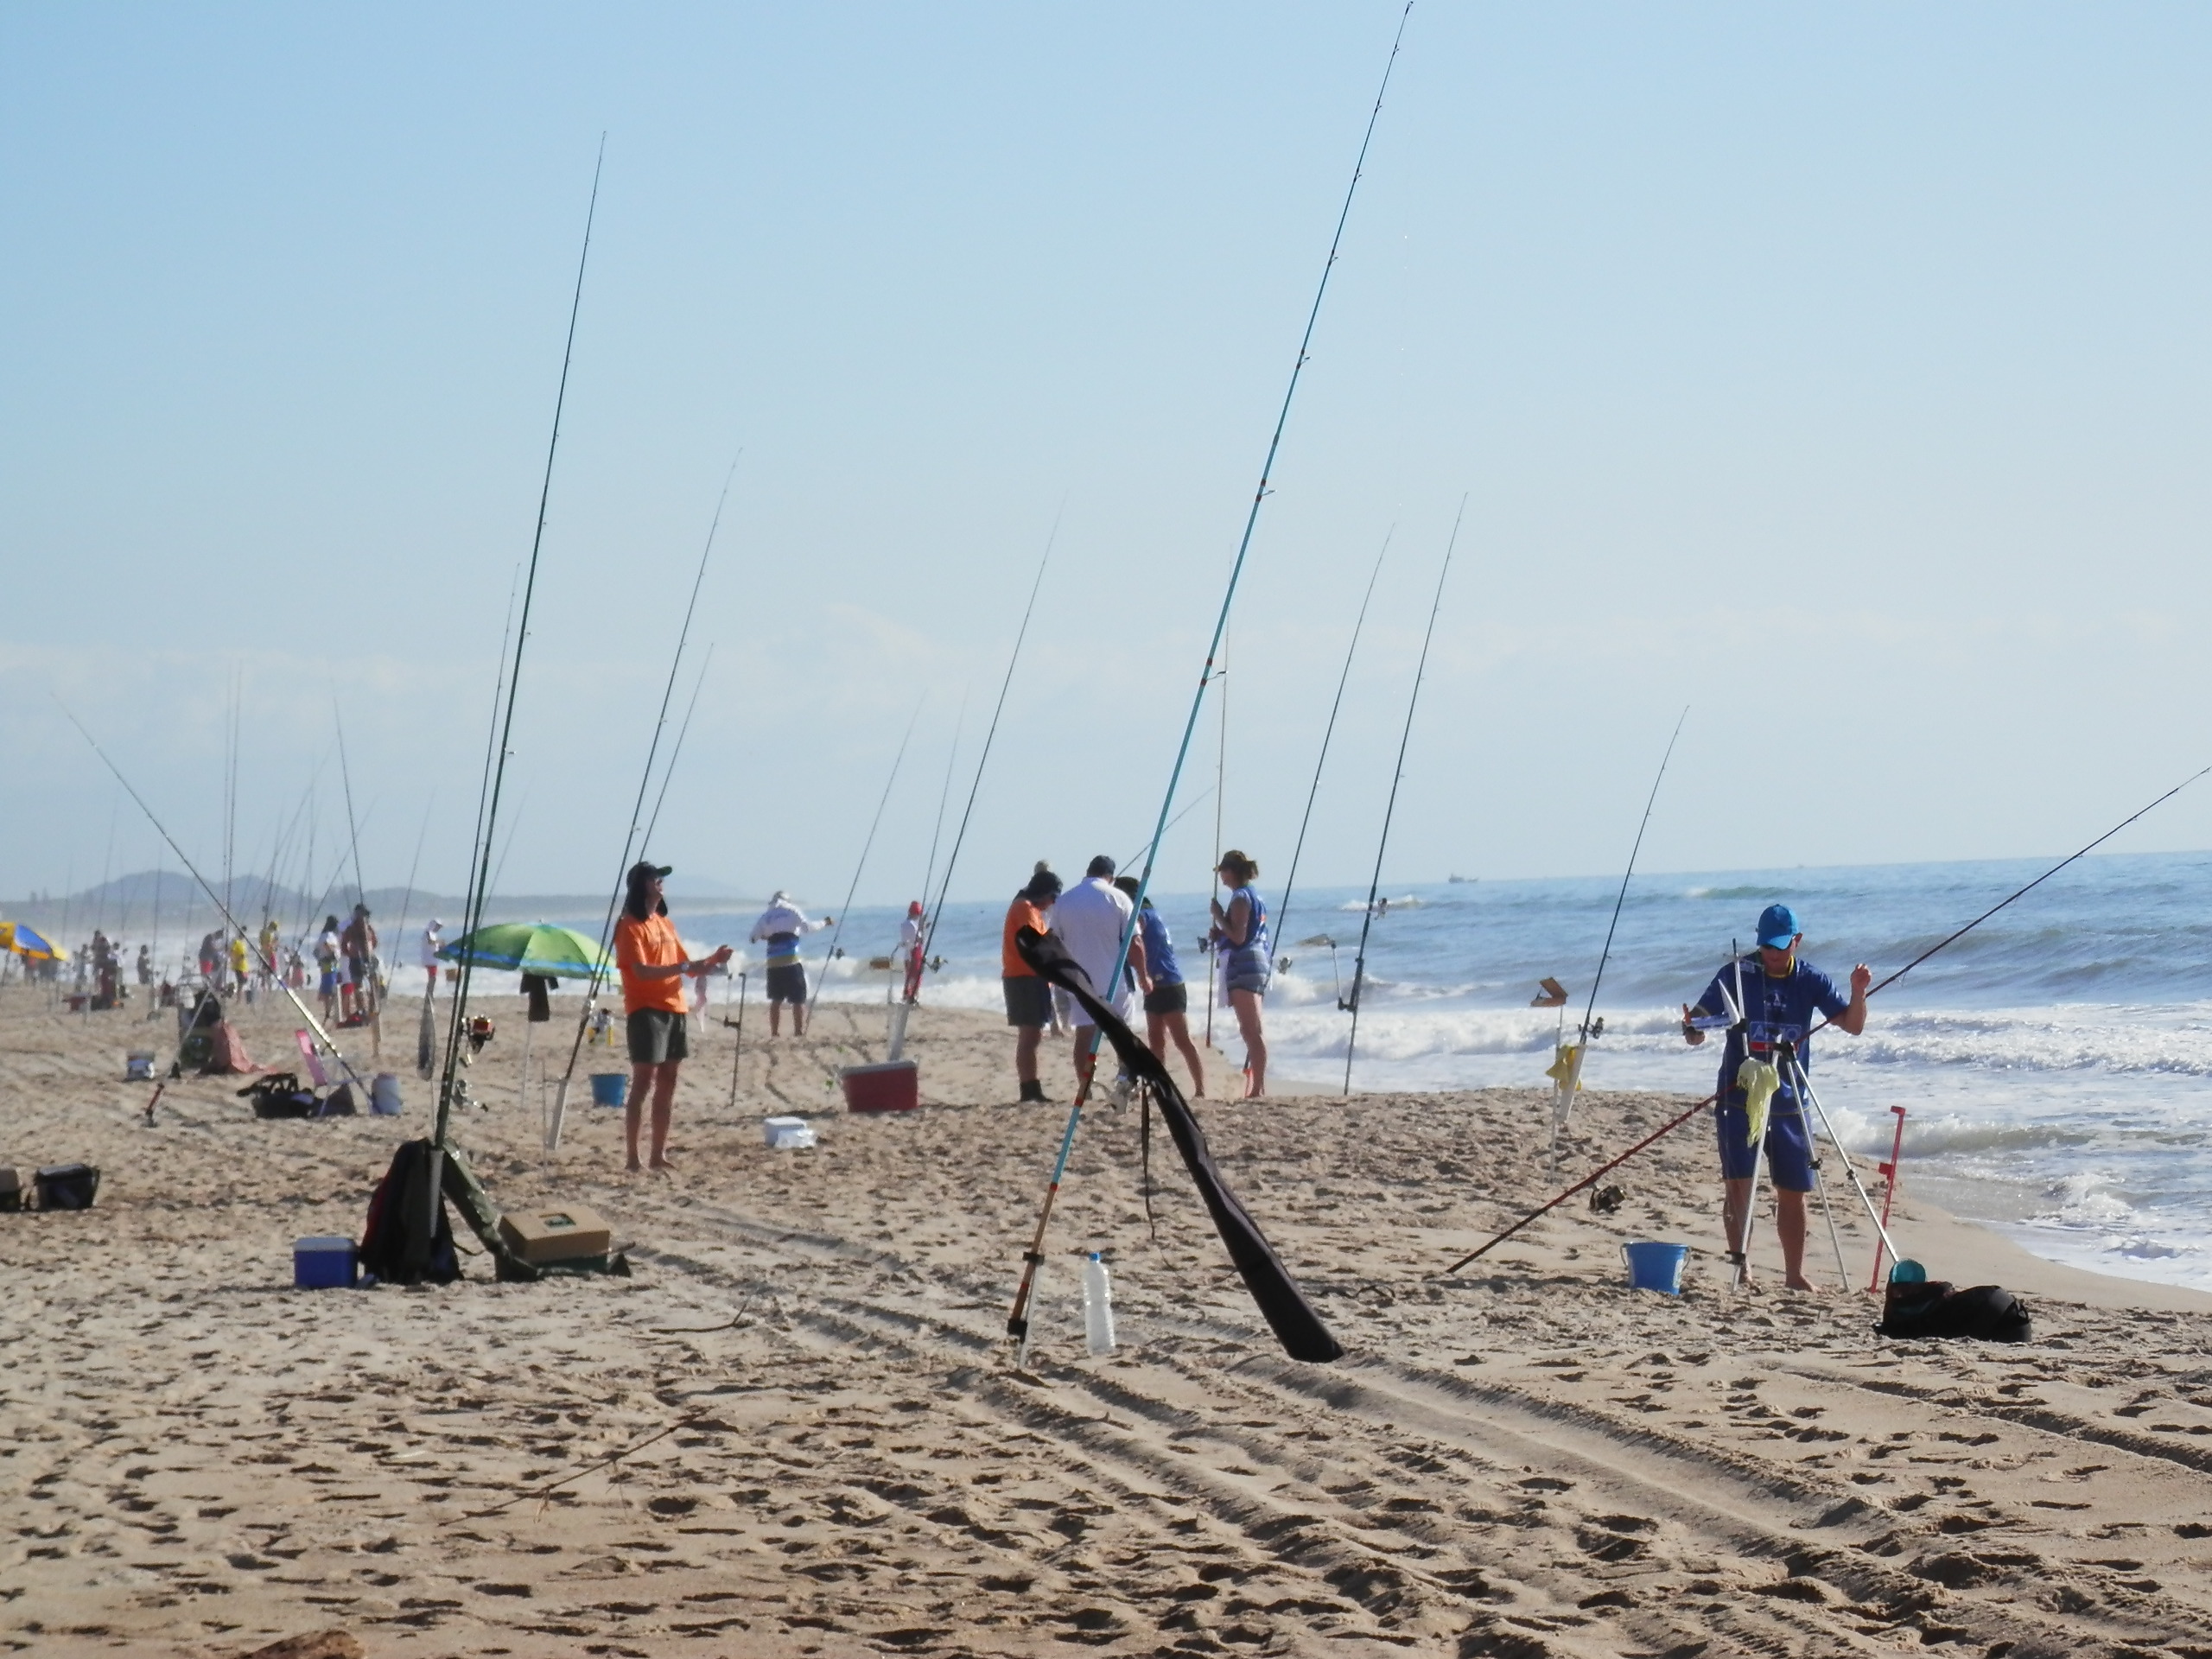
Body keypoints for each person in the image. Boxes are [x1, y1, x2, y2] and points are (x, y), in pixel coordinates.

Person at [1681, 902, 1871, 1292]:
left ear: (1796, 942)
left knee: (1794, 1189)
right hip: (1740, 1092)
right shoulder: (1736, 973)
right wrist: (1692, 1029)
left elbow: (1853, 1026)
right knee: (1740, 1183)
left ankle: (1794, 1274)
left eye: (1781, 946)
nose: (1772, 953)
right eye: (1767, 945)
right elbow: (1698, 1021)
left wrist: (1857, 992)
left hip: (1789, 1097)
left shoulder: (1810, 979)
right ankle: (1742, 1268)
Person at [616, 861, 732, 1173]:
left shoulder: (665, 923)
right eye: (655, 878)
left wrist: (714, 960)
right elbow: (640, 971)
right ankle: (632, 1157)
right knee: (643, 1082)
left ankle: (658, 1154)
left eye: (661, 879)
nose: (660, 882)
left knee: (669, 1081)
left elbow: (689, 967)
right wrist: (683, 968)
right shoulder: (629, 926)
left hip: (675, 1007)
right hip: (645, 1009)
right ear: (642, 884)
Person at [1049, 855, 1147, 1096]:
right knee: (1123, 1036)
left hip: (1080, 982)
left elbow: (1053, 942)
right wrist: (1145, 976)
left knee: (1084, 1036)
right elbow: (1135, 942)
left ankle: (1086, 1089)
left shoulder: (1065, 901)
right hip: (1116, 980)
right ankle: (1124, 1085)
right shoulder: (1119, 897)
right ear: (1110, 877)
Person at [1118, 876, 1204, 1097]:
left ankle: (1200, 1088)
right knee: (1156, 1040)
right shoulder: (1149, 911)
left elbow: (1135, 939)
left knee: (1182, 1040)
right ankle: (1158, 1087)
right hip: (1155, 985)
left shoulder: (1142, 915)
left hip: (1169, 982)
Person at [1210, 849, 1271, 1098]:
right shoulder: (1253, 896)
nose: (1221, 877)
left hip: (1245, 963)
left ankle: (1257, 1088)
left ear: (1231, 871)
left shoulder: (1240, 898)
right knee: (1251, 1029)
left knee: (1251, 1030)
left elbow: (1239, 936)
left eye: (1223, 871)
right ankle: (1259, 1086)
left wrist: (1218, 917)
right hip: (1255, 961)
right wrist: (1221, 931)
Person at [1001, 863, 1062, 1103]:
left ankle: (1032, 1086)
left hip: (1030, 978)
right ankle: (1029, 1089)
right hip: (1022, 978)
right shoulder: (1023, 908)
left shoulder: (1031, 909)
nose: (1053, 903)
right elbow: (1034, 944)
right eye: (1053, 896)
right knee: (1029, 1037)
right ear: (1043, 893)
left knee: (1033, 1036)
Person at [748, 891, 831, 1037]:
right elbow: (808, 928)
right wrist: (825, 922)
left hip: (773, 964)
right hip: (791, 962)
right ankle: (798, 1032)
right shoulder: (793, 910)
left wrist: (767, 935)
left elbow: (753, 938)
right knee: (798, 999)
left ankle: (775, 1033)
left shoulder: (766, 916)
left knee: (776, 999)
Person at [340, 904, 378, 1020]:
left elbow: (375, 942)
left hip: (367, 958)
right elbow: (344, 945)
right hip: (357, 959)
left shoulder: (368, 928)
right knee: (359, 987)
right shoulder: (352, 929)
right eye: (363, 915)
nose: (365, 918)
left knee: (373, 984)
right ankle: (362, 1010)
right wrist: (352, 953)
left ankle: (371, 1008)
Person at [315, 915, 341, 1022]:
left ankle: (329, 1012)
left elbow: (316, 951)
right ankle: (328, 1012)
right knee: (330, 990)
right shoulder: (328, 935)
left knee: (330, 990)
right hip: (330, 965)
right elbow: (326, 944)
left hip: (331, 965)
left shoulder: (325, 935)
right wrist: (332, 954)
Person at [899, 900, 926, 1002]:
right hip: (913, 954)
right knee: (916, 977)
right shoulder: (912, 925)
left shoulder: (904, 924)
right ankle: (912, 997)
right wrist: (922, 928)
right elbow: (920, 940)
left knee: (909, 977)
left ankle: (907, 996)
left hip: (907, 955)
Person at [419, 918, 444, 995]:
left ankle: (430, 994)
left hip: (433, 960)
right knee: (432, 978)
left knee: (433, 978)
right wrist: (439, 942)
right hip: (429, 960)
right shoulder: (427, 933)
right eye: (437, 926)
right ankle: (429, 994)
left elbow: (435, 946)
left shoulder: (434, 935)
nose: (438, 928)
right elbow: (430, 942)